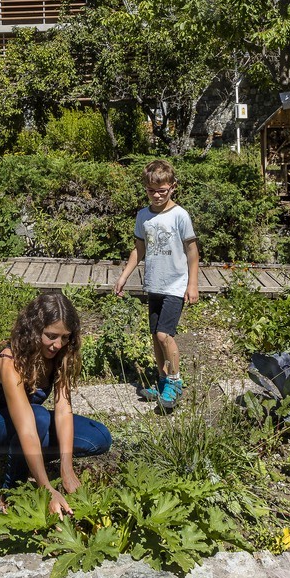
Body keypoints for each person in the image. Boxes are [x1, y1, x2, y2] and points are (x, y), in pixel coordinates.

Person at [0, 292, 112, 515]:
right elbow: (27, 428)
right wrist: (47, 488)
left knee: (98, 436)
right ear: (34, 330)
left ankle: (28, 459)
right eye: (51, 336)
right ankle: (11, 492)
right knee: (38, 417)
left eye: (65, 337)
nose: (57, 345)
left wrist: (66, 468)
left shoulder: (60, 355)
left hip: (28, 422)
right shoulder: (9, 362)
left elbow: (63, 410)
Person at [112, 159, 200, 410]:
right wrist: (124, 276)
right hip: (154, 284)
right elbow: (138, 250)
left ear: (172, 187)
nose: (157, 195)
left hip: (175, 284)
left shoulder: (180, 215)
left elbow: (192, 252)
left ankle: (175, 382)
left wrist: (192, 284)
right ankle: (162, 381)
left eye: (162, 190)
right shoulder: (143, 216)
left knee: (165, 334)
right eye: (152, 190)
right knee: (155, 336)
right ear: (146, 188)